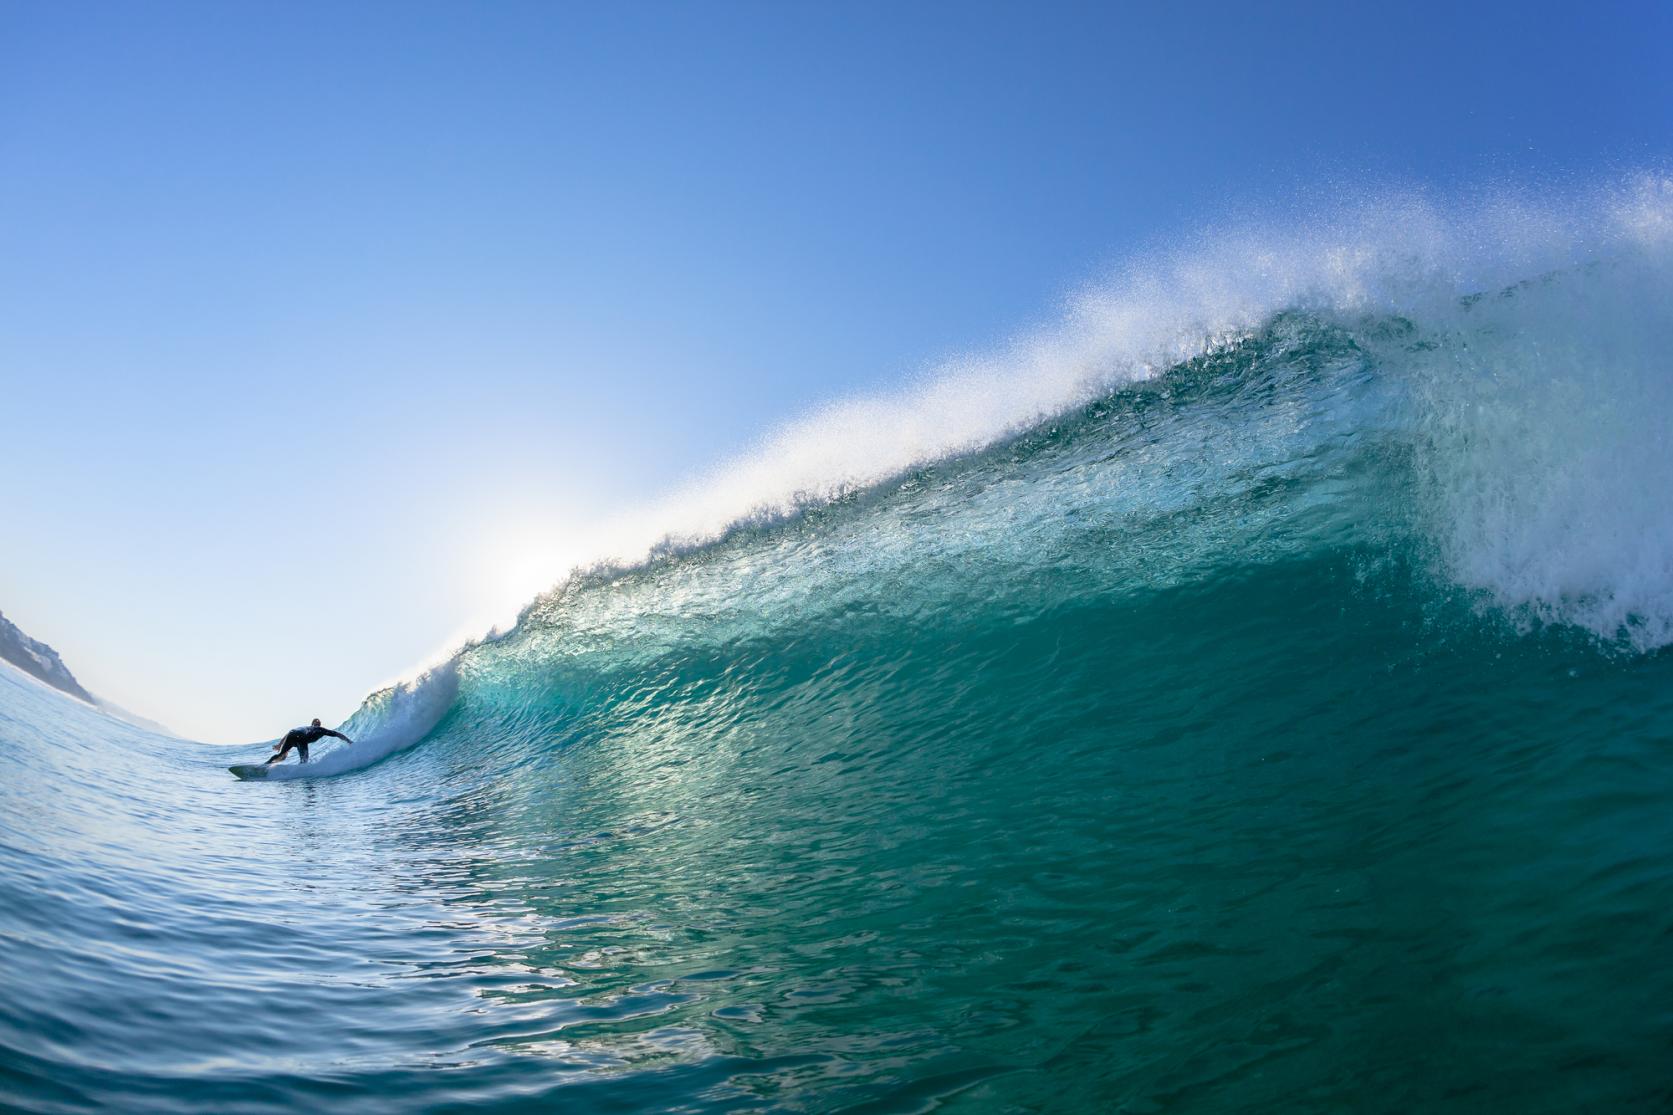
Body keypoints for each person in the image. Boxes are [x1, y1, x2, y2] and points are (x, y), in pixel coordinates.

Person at [266, 718, 353, 764]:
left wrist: (279, 745)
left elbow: (289, 732)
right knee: (304, 761)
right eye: (317, 722)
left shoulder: (306, 727)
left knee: (281, 755)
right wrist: (349, 741)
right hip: (300, 737)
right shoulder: (320, 729)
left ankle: (266, 765)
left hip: (292, 734)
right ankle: (300, 772)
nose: (318, 723)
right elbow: (336, 734)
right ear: (314, 724)